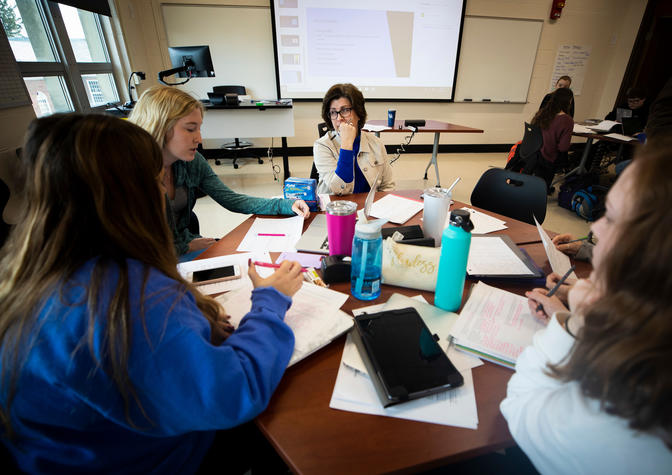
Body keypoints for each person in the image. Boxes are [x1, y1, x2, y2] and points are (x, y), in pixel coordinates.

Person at [0, 114, 305, 473]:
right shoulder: (133, 298)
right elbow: (234, 391)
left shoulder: (29, 277)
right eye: (153, 179)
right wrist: (270, 301)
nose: (162, 189)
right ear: (129, 193)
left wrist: (194, 320)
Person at [502, 130, 672, 474]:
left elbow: (522, 408)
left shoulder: (623, 420)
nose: (596, 228)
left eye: (613, 218)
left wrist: (574, 325)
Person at [129, 86, 309, 260]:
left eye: (199, 128)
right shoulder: (131, 173)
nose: (199, 138)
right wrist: (184, 247)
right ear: (161, 126)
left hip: (185, 247)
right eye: (190, 129)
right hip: (152, 261)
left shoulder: (192, 162)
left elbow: (231, 199)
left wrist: (285, 205)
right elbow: (131, 247)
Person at [313, 83, 395, 195]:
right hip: (337, 209)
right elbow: (338, 190)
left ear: (359, 112)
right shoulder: (322, 146)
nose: (339, 118)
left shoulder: (376, 143)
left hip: (369, 208)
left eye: (345, 110)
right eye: (333, 112)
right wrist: (347, 143)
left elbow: (388, 186)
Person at [529, 87, 574, 189]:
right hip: (547, 158)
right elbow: (563, 148)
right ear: (568, 102)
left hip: (531, 153)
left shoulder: (542, 113)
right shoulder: (567, 120)